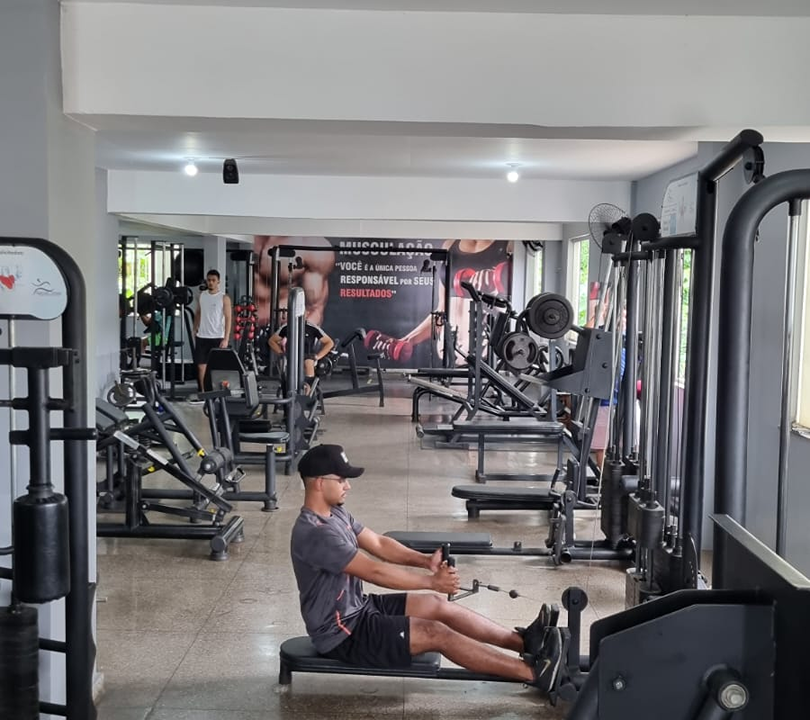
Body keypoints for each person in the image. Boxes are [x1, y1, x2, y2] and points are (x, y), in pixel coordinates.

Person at [290, 443, 567, 695]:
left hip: (359, 608)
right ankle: (534, 674)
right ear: (319, 483)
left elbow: (379, 544)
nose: (348, 486)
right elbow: (375, 572)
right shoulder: (315, 533)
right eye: (341, 479)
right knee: (436, 633)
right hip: (343, 633)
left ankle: (525, 643)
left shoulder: (336, 512)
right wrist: (431, 581)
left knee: (436, 605)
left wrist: (424, 561)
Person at [397, 239, 513, 363]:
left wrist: (494, 287)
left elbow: (511, 307)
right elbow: (441, 310)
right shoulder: (449, 244)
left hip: (486, 356)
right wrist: (408, 340)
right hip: (449, 355)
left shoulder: (509, 245)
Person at [253, 236, 336, 327]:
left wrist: (292, 333)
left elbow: (314, 309)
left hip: (285, 328)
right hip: (244, 323)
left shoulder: (313, 246)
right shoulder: (246, 236)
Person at [193, 269, 233, 391]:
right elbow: (198, 312)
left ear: (218, 282)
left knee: (217, 367)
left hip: (217, 337)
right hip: (202, 336)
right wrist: (194, 328)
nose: (210, 282)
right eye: (209, 280)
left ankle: (217, 393)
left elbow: (228, 318)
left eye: (213, 280)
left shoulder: (224, 298)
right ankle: (203, 392)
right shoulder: (202, 296)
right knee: (201, 367)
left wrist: (226, 338)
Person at [268, 320, 335, 392]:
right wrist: (281, 353)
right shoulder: (287, 326)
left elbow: (329, 342)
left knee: (308, 362)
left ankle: (308, 393)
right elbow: (272, 341)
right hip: (291, 355)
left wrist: (318, 357)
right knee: (288, 365)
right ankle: (289, 390)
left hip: (308, 356)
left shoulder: (312, 327)